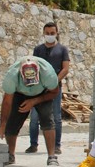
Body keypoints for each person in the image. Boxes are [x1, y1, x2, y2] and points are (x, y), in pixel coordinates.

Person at [0, 56, 60, 166]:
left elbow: (54, 92)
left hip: (42, 94)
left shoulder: (48, 74)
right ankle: (10, 155)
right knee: (12, 124)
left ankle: (52, 157)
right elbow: (7, 102)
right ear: (21, 74)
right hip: (20, 94)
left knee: (47, 120)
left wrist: (34, 101)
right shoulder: (12, 76)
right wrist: (2, 125)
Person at [26, 22, 70, 155]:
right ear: (43, 33)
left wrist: (54, 81)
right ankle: (33, 144)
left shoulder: (62, 50)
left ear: (57, 33)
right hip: (38, 89)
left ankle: (56, 145)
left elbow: (65, 69)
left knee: (56, 116)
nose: (50, 35)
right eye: (47, 33)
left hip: (55, 89)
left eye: (52, 33)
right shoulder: (38, 50)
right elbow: (33, 67)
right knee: (34, 118)